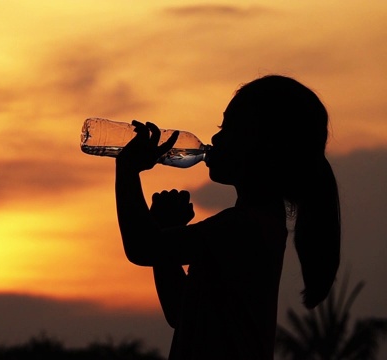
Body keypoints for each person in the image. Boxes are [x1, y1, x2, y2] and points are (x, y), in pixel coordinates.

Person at [114, 75, 340, 360]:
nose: (217, 138)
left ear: (266, 146)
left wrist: (127, 170)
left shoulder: (242, 229)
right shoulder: (256, 225)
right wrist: (167, 230)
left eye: (230, 128)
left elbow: (142, 247)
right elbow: (180, 309)